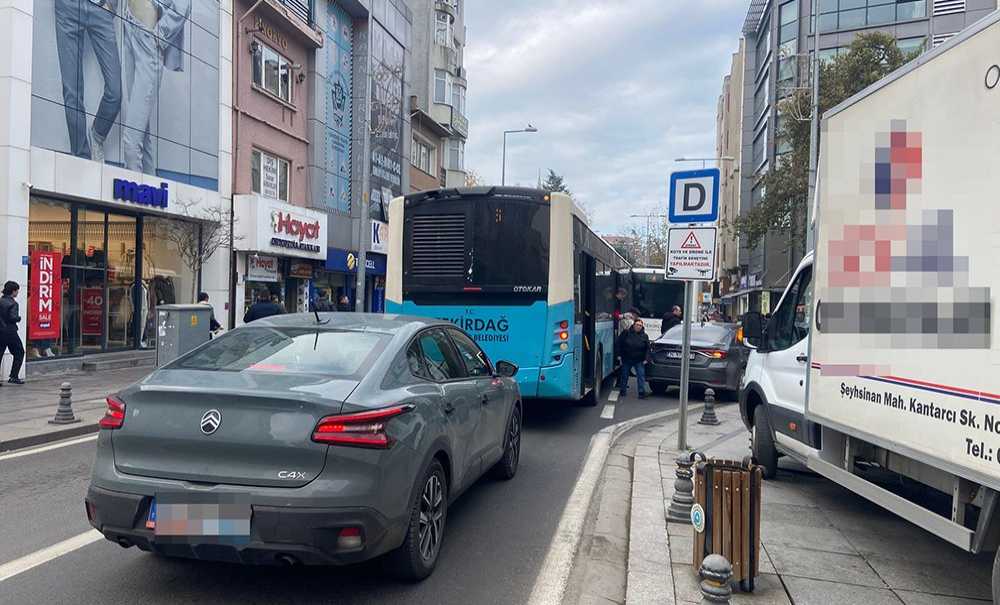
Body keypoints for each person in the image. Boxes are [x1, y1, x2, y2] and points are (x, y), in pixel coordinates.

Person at [122, 0, 191, 172]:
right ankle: (149, 185)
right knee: (141, 133)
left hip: (148, 39)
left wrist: (160, 34)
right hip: (130, 27)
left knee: (131, 142)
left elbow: (183, 6)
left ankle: (132, 192)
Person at [54, 0, 122, 161]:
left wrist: (111, 5)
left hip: (100, 9)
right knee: (72, 91)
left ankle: (97, 135)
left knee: (115, 92)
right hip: (68, 8)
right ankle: (81, 157)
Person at [616, 318, 650, 399]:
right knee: (624, 375)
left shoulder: (645, 336)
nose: (639, 327)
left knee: (641, 376)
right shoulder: (626, 333)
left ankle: (641, 392)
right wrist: (618, 355)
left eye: (640, 325)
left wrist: (646, 358)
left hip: (639, 359)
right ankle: (623, 390)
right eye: (637, 325)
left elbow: (647, 348)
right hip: (627, 358)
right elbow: (619, 343)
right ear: (634, 325)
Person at [0, 281, 26, 385]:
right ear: (13, 291)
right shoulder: (13, 303)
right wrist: (19, 318)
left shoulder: (0, 301)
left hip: (1, 330)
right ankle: (14, 376)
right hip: (10, 331)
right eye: (17, 290)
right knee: (19, 351)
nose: (18, 292)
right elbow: (13, 317)